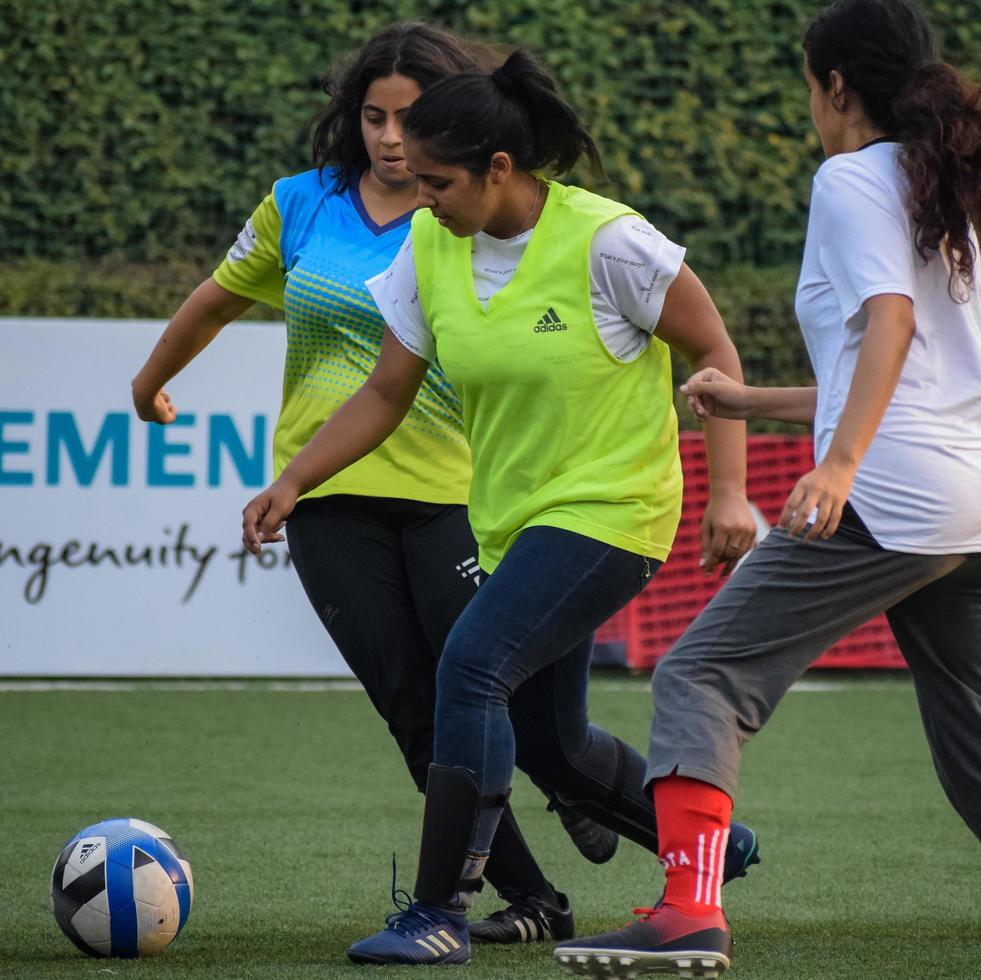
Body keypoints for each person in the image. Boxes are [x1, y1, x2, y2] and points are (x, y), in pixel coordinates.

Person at [241, 48, 761, 966]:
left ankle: (440, 911)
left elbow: (713, 353)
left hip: (615, 513)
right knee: (548, 745)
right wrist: (295, 479)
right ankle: (707, 843)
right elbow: (384, 391)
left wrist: (729, 492)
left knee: (470, 666)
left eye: (439, 179)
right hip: (514, 524)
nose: (421, 193)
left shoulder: (610, 242)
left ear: (500, 170)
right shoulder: (431, 247)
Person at [130, 22, 617, 946]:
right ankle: (532, 898)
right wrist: (151, 379)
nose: (390, 139)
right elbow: (217, 296)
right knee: (416, 711)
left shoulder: (474, 213)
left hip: (458, 492)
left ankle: (614, 804)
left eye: (409, 120)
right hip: (330, 499)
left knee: (489, 693)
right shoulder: (299, 205)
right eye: (372, 116)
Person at [554, 0, 981, 975]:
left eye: (807, 88)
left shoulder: (850, 175)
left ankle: (687, 909)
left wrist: (836, 466)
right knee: (972, 724)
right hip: (965, 499)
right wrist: (748, 400)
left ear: (834, 87)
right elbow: (918, 365)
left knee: (703, 672)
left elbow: (890, 323)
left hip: (887, 495)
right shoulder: (946, 182)